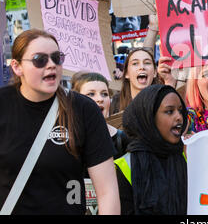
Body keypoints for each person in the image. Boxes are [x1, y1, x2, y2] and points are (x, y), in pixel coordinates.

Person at [0, 29, 119, 214]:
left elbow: (107, 191)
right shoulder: (3, 105)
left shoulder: (83, 109)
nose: (51, 65)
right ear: (17, 67)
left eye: (57, 58)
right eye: (40, 59)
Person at [115, 84, 188, 215]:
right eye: (169, 111)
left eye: (181, 110)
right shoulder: (123, 167)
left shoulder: (187, 157)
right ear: (149, 118)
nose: (179, 117)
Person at [71, 72, 129, 159]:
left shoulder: (122, 139)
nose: (100, 99)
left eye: (104, 94)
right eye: (91, 94)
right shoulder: (65, 138)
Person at [110, 47, 160, 114]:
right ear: (126, 73)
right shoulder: (116, 102)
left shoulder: (163, 101)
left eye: (147, 63)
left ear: (155, 73)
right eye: (135, 63)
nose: (142, 67)